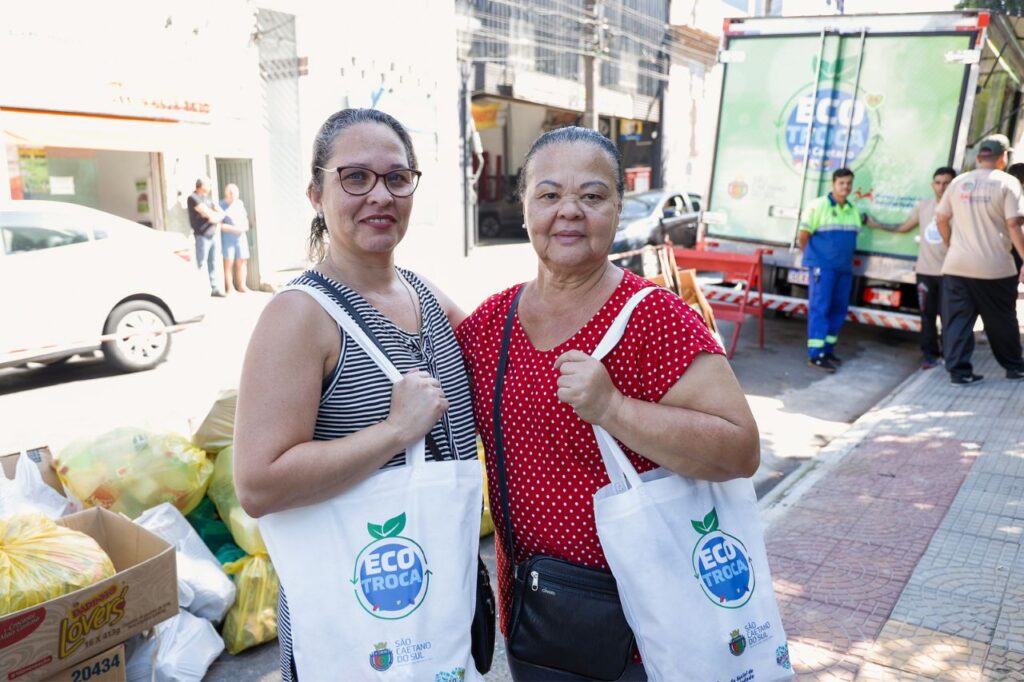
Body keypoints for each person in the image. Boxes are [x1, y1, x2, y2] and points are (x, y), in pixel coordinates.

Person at [455, 126, 760, 681]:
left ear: (619, 209)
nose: (569, 211)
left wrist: (614, 408)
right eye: (549, 195)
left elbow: (740, 450)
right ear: (523, 206)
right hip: (537, 618)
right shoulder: (489, 325)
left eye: (592, 196)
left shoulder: (656, 317)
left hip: (649, 625)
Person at [232, 108, 478, 680]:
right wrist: (394, 431)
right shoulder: (298, 315)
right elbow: (258, 483)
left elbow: (512, 370)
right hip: (353, 622)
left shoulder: (425, 295)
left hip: (436, 607)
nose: (380, 195)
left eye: (397, 177)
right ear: (317, 192)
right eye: (355, 177)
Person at [935, 133, 1024, 385]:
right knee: (1001, 319)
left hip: (957, 266)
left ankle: (959, 373)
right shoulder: (1008, 183)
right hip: (995, 268)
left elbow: (941, 218)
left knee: (958, 320)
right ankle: (1014, 367)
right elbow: (1014, 224)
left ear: (979, 156)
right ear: (1003, 157)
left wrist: (950, 244)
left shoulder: (959, 182)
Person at [798, 167, 891, 373]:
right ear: (833, 184)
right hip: (823, 268)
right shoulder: (818, 206)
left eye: (849, 183)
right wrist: (815, 259)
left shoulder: (852, 210)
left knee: (838, 310)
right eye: (841, 183)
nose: (845, 187)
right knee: (820, 309)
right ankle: (816, 354)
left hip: (843, 269)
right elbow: (803, 236)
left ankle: (828, 350)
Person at [887, 167, 957, 369]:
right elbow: (904, 227)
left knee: (949, 317)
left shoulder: (959, 209)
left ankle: (950, 356)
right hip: (925, 273)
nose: (941, 187)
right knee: (927, 317)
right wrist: (875, 224)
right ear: (932, 185)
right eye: (938, 182)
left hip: (950, 273)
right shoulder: (924, 207)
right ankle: (929, 355)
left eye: (946, 183)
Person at [187, 178, 227, 297]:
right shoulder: (193, 198)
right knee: (200, 262)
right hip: (201, 236)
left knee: (212, 262)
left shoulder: (207, 199)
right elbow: (210, 215)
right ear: (201, 185)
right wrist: (215, 216)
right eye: (208, 184)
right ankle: (197, 289)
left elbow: (221, 213)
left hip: (212, 234)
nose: (210, 186)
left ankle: (214, 288)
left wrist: (215, 216)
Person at [219, 183, 251, 294]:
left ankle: (242, 286)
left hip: (241, 236)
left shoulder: (239, 204)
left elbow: (245, 220)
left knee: (242, 261)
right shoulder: (221, 205)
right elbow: (220, 225)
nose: (232, 195)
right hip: (228, 237)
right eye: (230, 192)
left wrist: (243, 227)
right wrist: (234, 229)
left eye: (234, 193)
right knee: (229, 262)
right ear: (226, 193)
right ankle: (230, 288)